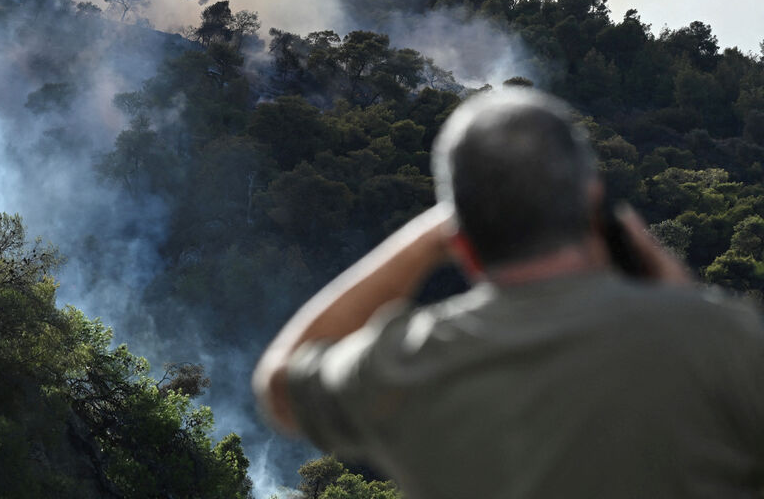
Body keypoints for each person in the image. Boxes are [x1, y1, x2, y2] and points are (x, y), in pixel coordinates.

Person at [253, 88, 764, 498]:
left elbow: (280, 384)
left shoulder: (412, 362)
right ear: (592, 208)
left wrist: (427, 239)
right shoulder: (724, 340)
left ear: (464, 246)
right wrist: (674, 287)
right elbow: (700, 341)